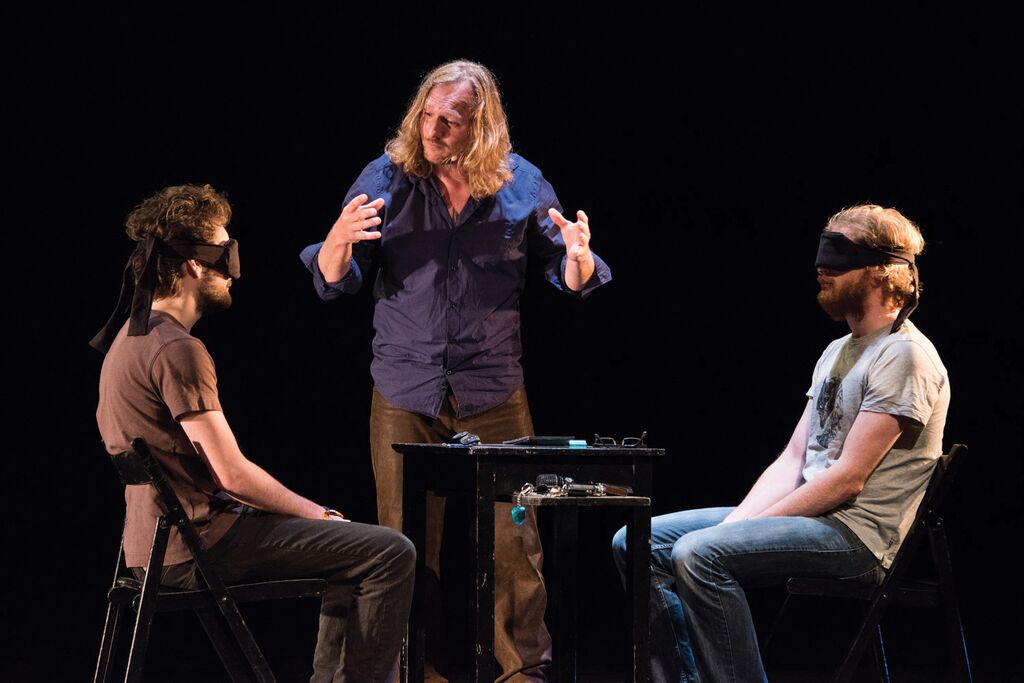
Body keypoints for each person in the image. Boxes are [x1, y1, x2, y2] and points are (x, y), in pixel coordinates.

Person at [300, 60, 612, 682]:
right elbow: (335, 281)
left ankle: (523, 672)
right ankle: (411, 670)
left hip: (493, 389)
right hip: (405, 387)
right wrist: (335, 243)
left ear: (481, 127)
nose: (433, 129)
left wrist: (578, 259)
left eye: (451, 120)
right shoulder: (386, 177)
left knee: (516, 542)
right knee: (403, 545)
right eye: (427, 114)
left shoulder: (523, 183)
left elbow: (571, 275)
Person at [612, 204, 949, 682]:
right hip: (813, 516)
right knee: (636, 542)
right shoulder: (838, 350)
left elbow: (847, 480)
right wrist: (739, 522)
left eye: (838, 256)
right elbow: (793, 459)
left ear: (880, 270)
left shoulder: (904, 356)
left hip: (857, 537)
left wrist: (739, 530)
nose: (821, 267)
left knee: (699, 554)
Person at [93, 184, 415, 683]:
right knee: (390, 552)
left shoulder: (129, 340)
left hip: (150, 548)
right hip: (197, 543)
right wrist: (316, 513)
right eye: (224, 255)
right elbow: (232, 475)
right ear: (193, 265)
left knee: (353, 552)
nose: (233, 272)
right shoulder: (176, 349)